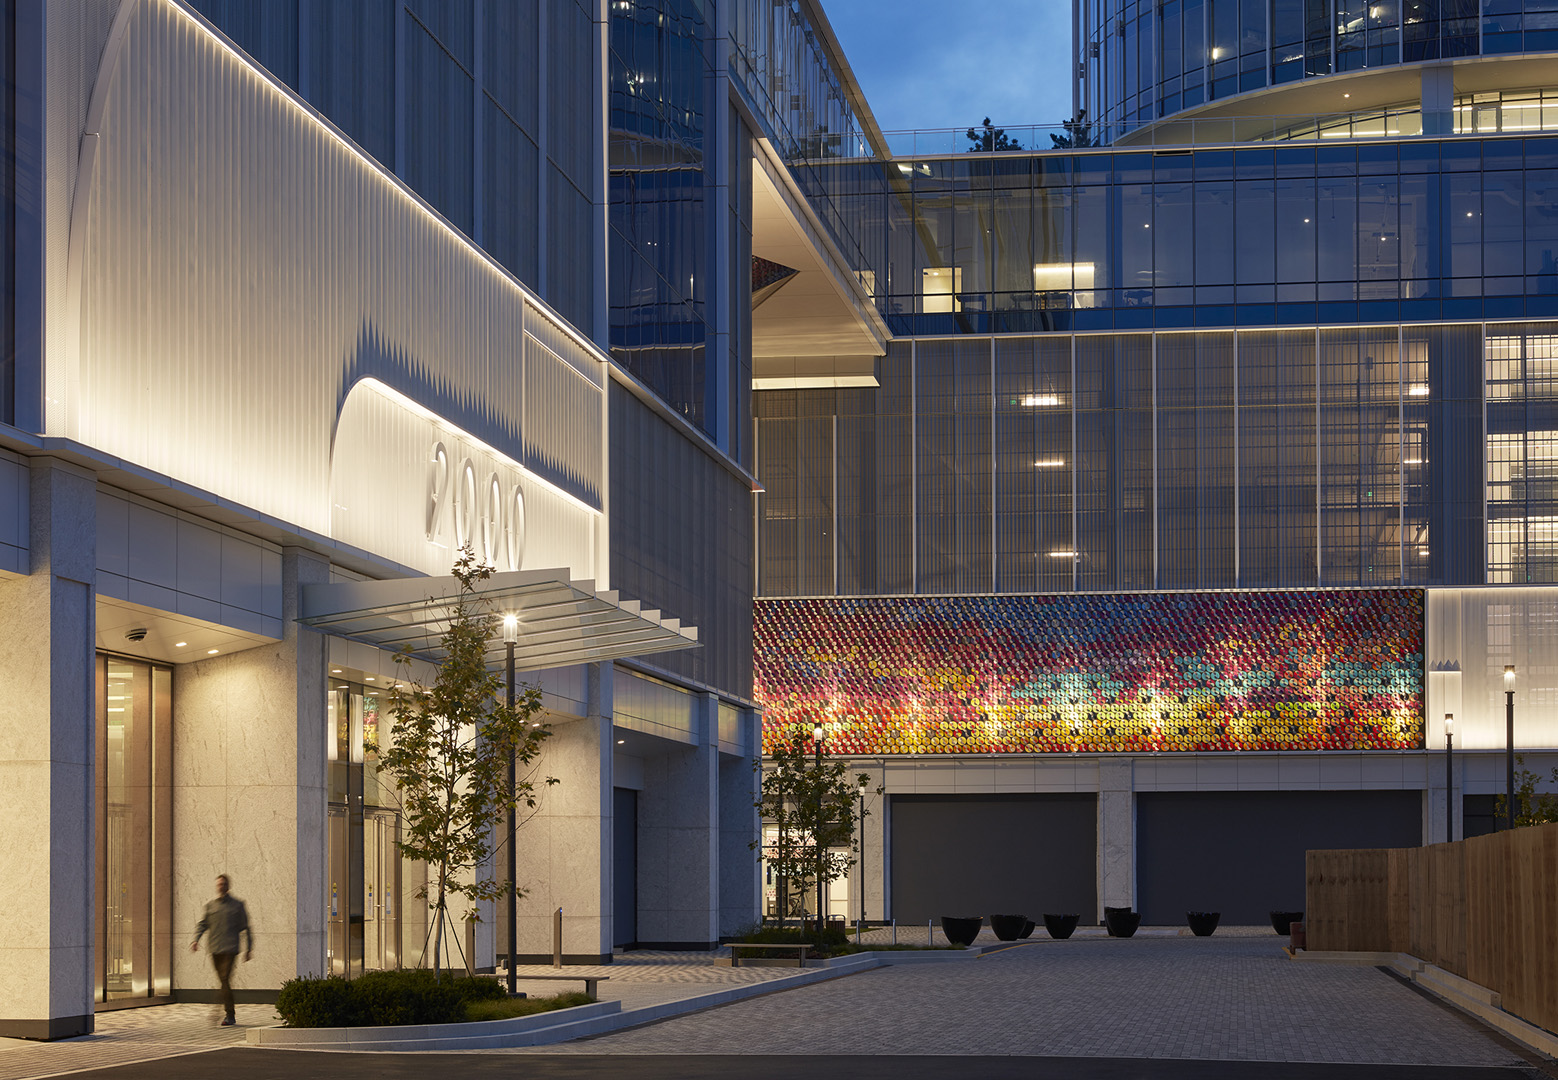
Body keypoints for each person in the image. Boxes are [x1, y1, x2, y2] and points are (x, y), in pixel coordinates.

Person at [190, 873, 252, 1026]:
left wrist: (248, 949)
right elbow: (203, 924)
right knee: (224, 982)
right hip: (215, 949)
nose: (221, 887)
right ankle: (226, 1013)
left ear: (228, 886)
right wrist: (195, 940)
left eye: (223, 884)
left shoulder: (238, 905)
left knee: (224, 980)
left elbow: (246, 928)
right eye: (218, 884)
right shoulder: (211, 906)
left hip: (230, 949)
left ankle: (226, 1014)